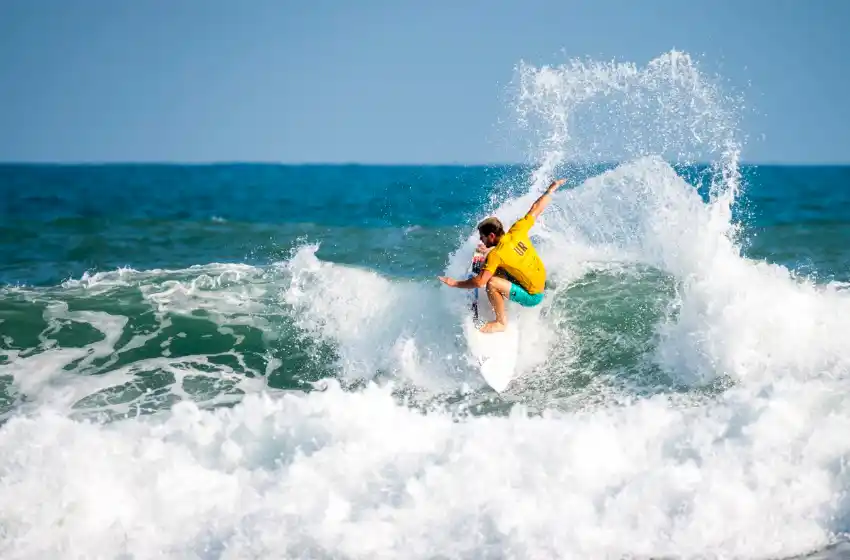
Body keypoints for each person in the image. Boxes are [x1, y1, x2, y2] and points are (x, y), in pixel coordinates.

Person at [439, 178, 567, 333]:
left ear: (492, 236)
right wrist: (550, 190)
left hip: (533, 295)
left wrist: (455, 283)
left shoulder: (496, 254)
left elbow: (480, 282)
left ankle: (500, 322)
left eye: (483, 237)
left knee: (491, 282)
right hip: (540, 281)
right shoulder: (517, 230)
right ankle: (502, 293)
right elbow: (536, 208)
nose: (481, 239)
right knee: (495, 267)